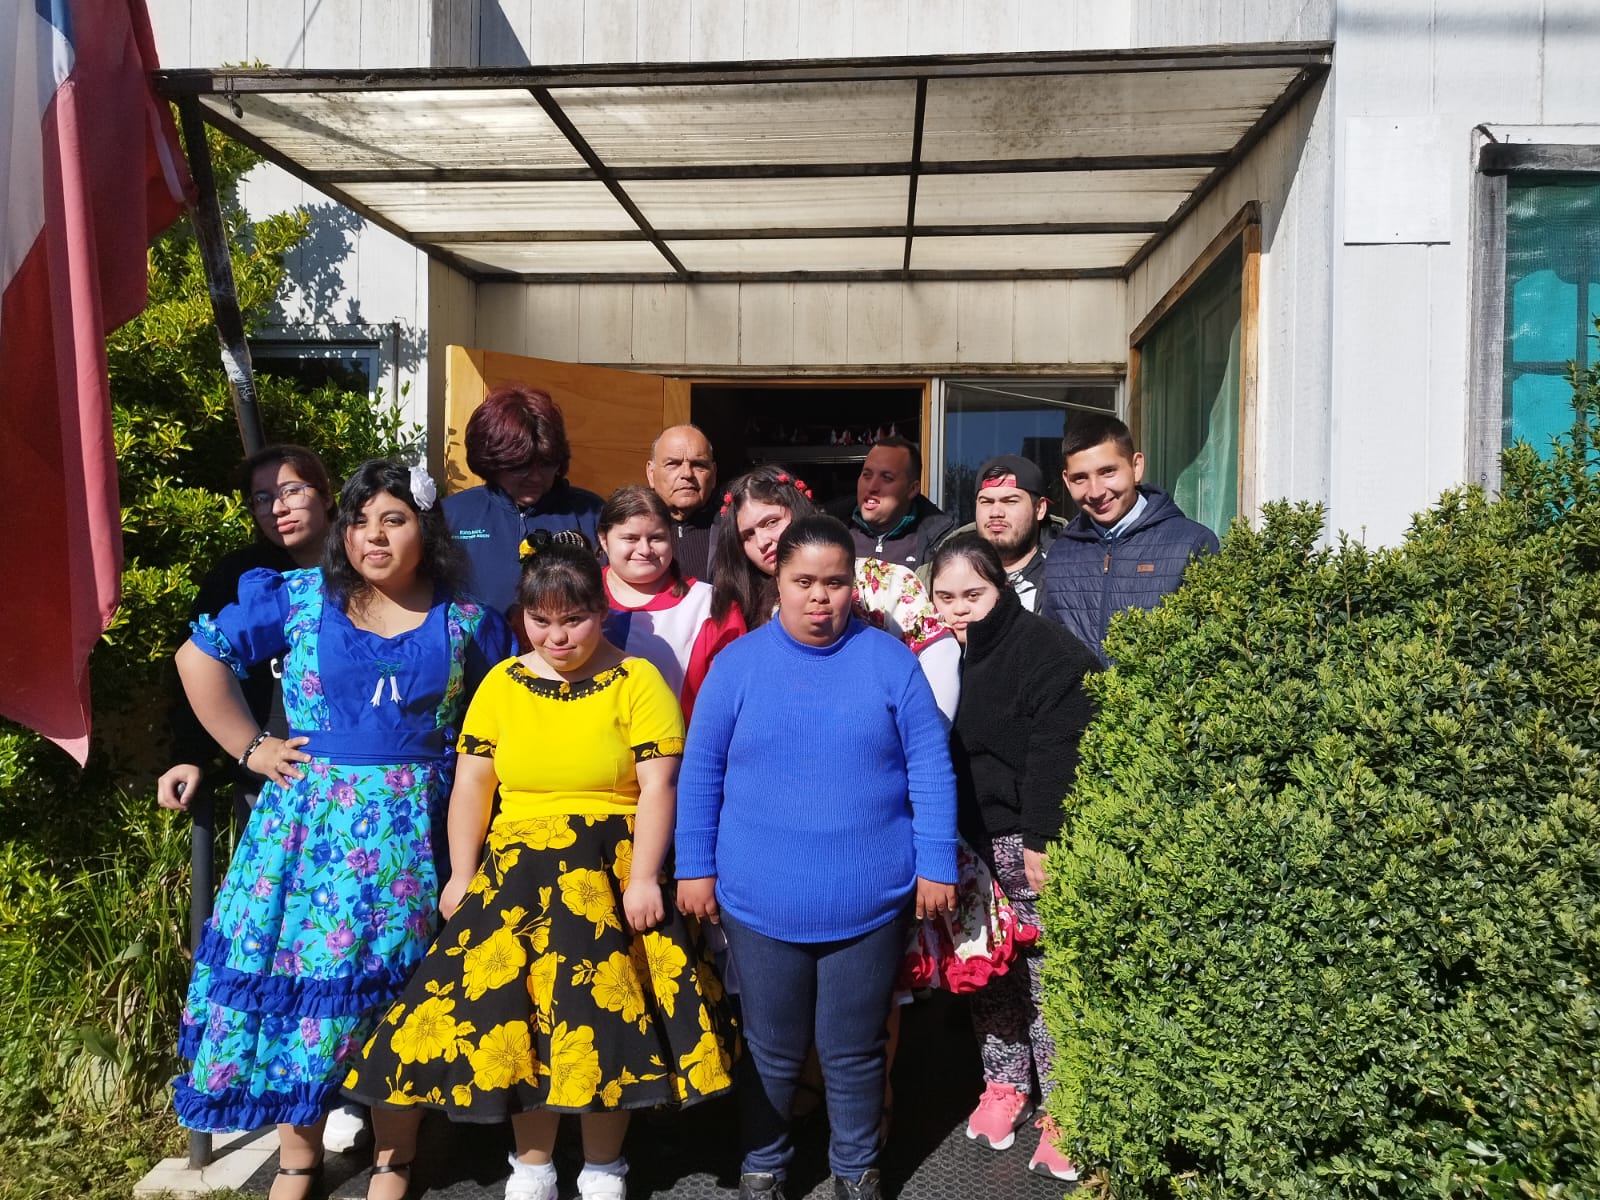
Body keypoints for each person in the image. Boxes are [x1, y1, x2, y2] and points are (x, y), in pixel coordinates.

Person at [342, 537, 736, 1200]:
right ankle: (533, 1164)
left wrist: (644, 877)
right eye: (541, 620)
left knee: (606, 1019)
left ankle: (605, 1164)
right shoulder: (501, 683)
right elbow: (474, 784)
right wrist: (461, 874)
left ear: (601, 612)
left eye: (574, 619)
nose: (557, 636)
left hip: (610, 874)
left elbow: (660, 786)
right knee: (515, 1018)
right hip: (517, 874)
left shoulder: (638, 679)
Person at [170, 460, 513, 1200]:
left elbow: (499, 728)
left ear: (426, 530)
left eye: (394, 519)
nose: (373, 536)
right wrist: (251, 748)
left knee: (398, 1000)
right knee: (299, 992)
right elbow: (197, 657)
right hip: (307, 843)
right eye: (359, 521)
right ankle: (298, 1161)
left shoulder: (468, 622)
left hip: (413, 846)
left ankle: (394, 1161)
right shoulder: (298, 598)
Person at [676, 515, 958, 1200]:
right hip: (758, 898)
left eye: (835, 583)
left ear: (853, 587)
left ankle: (856, 1168)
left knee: (854, 1048)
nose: (820, 598)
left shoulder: (890, 661)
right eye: (804, 581)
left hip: (870, 898)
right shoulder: (737, 665)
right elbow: (701, 771)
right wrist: (694, 866)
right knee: (770, 1047)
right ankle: (764, 1165)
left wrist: (937, 862)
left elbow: (930, 767)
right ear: (777, 581)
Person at [928, 534, 1098, 1182]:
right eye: (945, 596)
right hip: (970, 843)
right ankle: (1005, 1086)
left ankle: (1068, 1110)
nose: (959, 609)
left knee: (1047, 978)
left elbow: (1058, 749)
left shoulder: (1043, 650)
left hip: (1029, 841)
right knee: (989, 971)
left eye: (973, 594)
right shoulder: (943, 655)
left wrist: (1041, 840)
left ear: (1001, 588)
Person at [158, 444, 335, 815]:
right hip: (271, 780)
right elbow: (198, 665)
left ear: (327, 494)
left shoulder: (369, 565)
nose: (278, 508)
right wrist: (190, 756)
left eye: (292, 491)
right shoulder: (240, 576)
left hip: (364, 777)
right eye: (262, 498)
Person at [714, 465, 960, 724]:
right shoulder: (741, 607)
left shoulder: (884, 581)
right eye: (748, 535)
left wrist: (921, 734)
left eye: (771, 522)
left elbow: (938, 652)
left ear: (798, 510)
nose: (762, 541)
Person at [1040, 413, 1219, 663]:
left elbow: (1214, 651)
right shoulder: (1060, 554)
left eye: (1108, 472)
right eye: (1080, 478)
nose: (1096, 491)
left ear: (1136, 467)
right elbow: (1049, 653)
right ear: (1066, 481)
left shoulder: (1192, 544)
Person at [443, 384, 604, 618]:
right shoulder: (452, 515)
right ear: (492, 462)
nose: (536, 477)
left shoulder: (590, 513)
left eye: (546, 464)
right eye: (521, 467)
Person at [597, 485, 743, 719]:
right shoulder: (576, 595)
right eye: (630, 538)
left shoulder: (710, 605)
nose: (644, 550)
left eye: (656, 538)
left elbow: (728, 699)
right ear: (604, 539)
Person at [925, 454, 1063, 612]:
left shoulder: (1068, 574)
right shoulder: (930, 575)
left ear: (1039, 509)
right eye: (986, 502)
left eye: (1010, 501)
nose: (996, 513)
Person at [826, 436, 955, 571]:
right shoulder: (831, 530)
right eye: (867, 475)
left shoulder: (938, 541)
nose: (871, 487)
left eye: (886, 478)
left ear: (912, 489)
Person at [645, 423, 719, 581]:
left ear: (713, 475)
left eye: (698, 465)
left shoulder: (734, 530)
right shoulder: (630, 531)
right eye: (673, 464)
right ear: (651, 473)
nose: (687, 474)